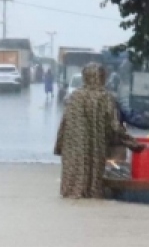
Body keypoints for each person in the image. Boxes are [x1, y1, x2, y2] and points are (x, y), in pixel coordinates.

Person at [54, 63, 144, 199]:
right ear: (102, 78)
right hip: (95, 149)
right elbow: (115, 126)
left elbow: (63, 125)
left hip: (72, 149)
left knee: (72, 187)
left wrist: (59, 147)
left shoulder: (74, 97)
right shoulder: (106, 98)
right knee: (92, 188)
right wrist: (134, 144)